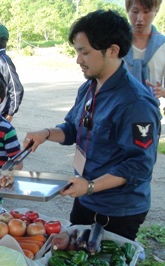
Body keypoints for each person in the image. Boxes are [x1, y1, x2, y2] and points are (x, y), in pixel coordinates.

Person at [23, 10, 162, 240]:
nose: (78, 60)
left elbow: (139, 165)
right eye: (77, 52)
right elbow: (73, 129)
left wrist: (90, 186)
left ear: (113, 50)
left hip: (117, 210)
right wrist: (46, 133)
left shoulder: (135, 103)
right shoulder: (89, 87)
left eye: (84, 52)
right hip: (86, 196)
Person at [124, 0, 165, 115]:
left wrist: (162, 92)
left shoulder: (163, 45)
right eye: (135, 11)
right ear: (127, 9)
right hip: (118, 113)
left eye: (146, 12)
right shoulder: (117, 43)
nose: (140, 18)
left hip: (150, 114)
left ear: (156, 10)